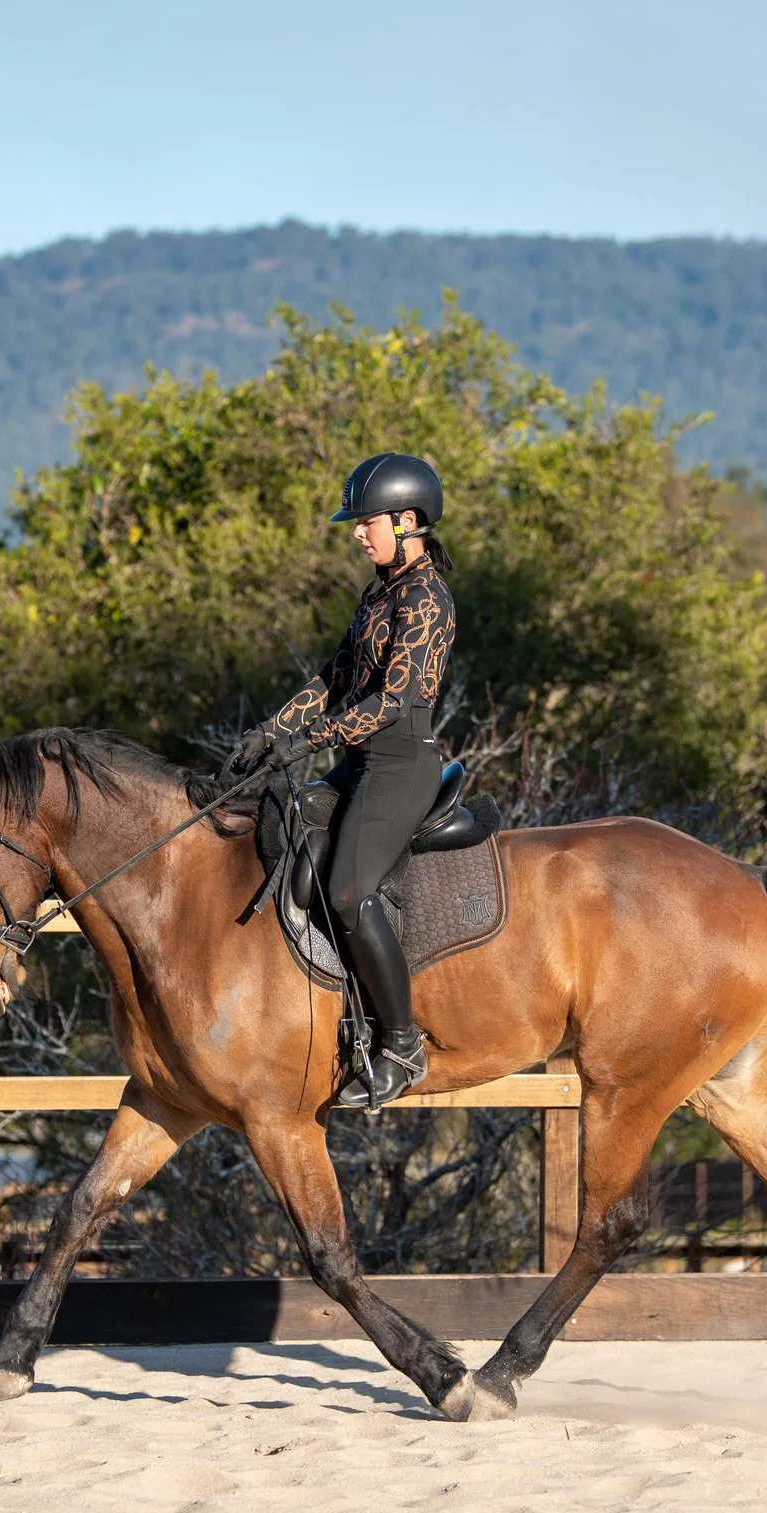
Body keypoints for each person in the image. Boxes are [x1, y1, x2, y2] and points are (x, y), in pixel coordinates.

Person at [229, 452, 456, 1109]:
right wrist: (272, 731)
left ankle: (402, 1045)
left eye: (367, 521)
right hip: (358, 760)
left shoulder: (427, 598)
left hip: (400, 766)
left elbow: (391, 700)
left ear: (408, 520)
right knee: (279, 830)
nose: (358, 532)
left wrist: (312, 738)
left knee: (351, 893)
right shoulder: (379, 591)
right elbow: (334, 676)